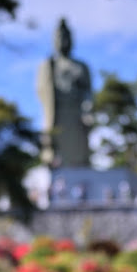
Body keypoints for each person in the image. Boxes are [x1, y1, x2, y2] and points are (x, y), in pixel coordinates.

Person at [37, 18, 93, 168]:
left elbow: (88, 92)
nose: (63, 41)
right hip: (57, 114)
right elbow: (41, 89)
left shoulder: (81, 66)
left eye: (66, 38)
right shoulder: (48, 65)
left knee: (77, 152)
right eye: (59, 38)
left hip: (75, 115)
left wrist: (88, 110)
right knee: (55, 147)